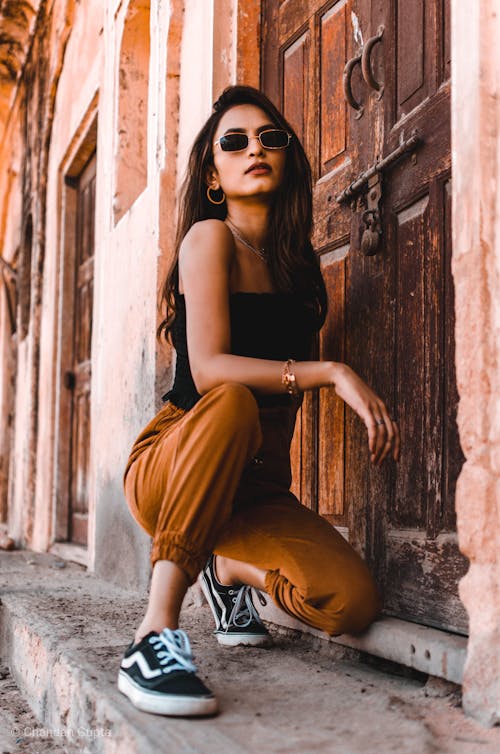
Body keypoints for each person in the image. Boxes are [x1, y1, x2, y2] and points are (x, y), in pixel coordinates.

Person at [117, 85, 400, 718]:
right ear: (213, 173)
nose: (255, 150)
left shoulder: (299, 271)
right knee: (235, 400)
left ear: (289, 160)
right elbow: (211, 369)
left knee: (352, 602)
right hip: (178, 460)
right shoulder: (208, 240)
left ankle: (232, 569)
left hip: (255, 489)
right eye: (235, 142)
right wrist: (331, 371)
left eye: (271, 139)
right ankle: (154, 635)